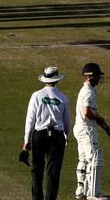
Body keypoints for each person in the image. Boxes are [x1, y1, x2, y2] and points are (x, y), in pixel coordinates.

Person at [21, 66, 71, 200]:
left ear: (45, 80)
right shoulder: (63, 98)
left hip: (39, 135)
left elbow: (30, 120)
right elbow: (67, 122)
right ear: (57, 80)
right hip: (57, 136)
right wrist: (67, 136)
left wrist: (26, 141)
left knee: (36, 169)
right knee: (53, 172)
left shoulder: (36, 95)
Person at [73, 63, 110, 200]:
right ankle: (94, 194)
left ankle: (81, 190)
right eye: (97, 76)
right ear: (91, 77)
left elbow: (92, 114)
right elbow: (87, 112)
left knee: (84, 160)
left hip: (80, 128)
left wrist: (107, 128)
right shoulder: (88, 92)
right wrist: (99, 117)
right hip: (86, 129)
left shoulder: (86, 90)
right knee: (95, 158)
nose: (99, 79)